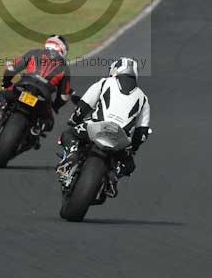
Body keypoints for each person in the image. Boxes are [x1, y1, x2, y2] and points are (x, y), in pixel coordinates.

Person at [57, 57, 151, 192]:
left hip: (96, 127)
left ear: (115, 70)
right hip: (121, 138)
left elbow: (84, 106)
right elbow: (142, 132)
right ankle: (113, 177)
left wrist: (74, 120)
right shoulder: (143, 98)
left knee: (69, 133)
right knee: (129, 165)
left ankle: (72, 156)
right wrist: (133, 148)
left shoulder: (105, 82)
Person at [0, 35, 77, 133]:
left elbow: (12, 69)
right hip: (43, 96)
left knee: (1, 95)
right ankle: (38, 127)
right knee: (49, 123)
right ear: (62, 48)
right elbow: (64, 96)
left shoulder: (35, 53)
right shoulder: (64, 68)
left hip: (24, 85)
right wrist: (56, 106)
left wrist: (6, 83)